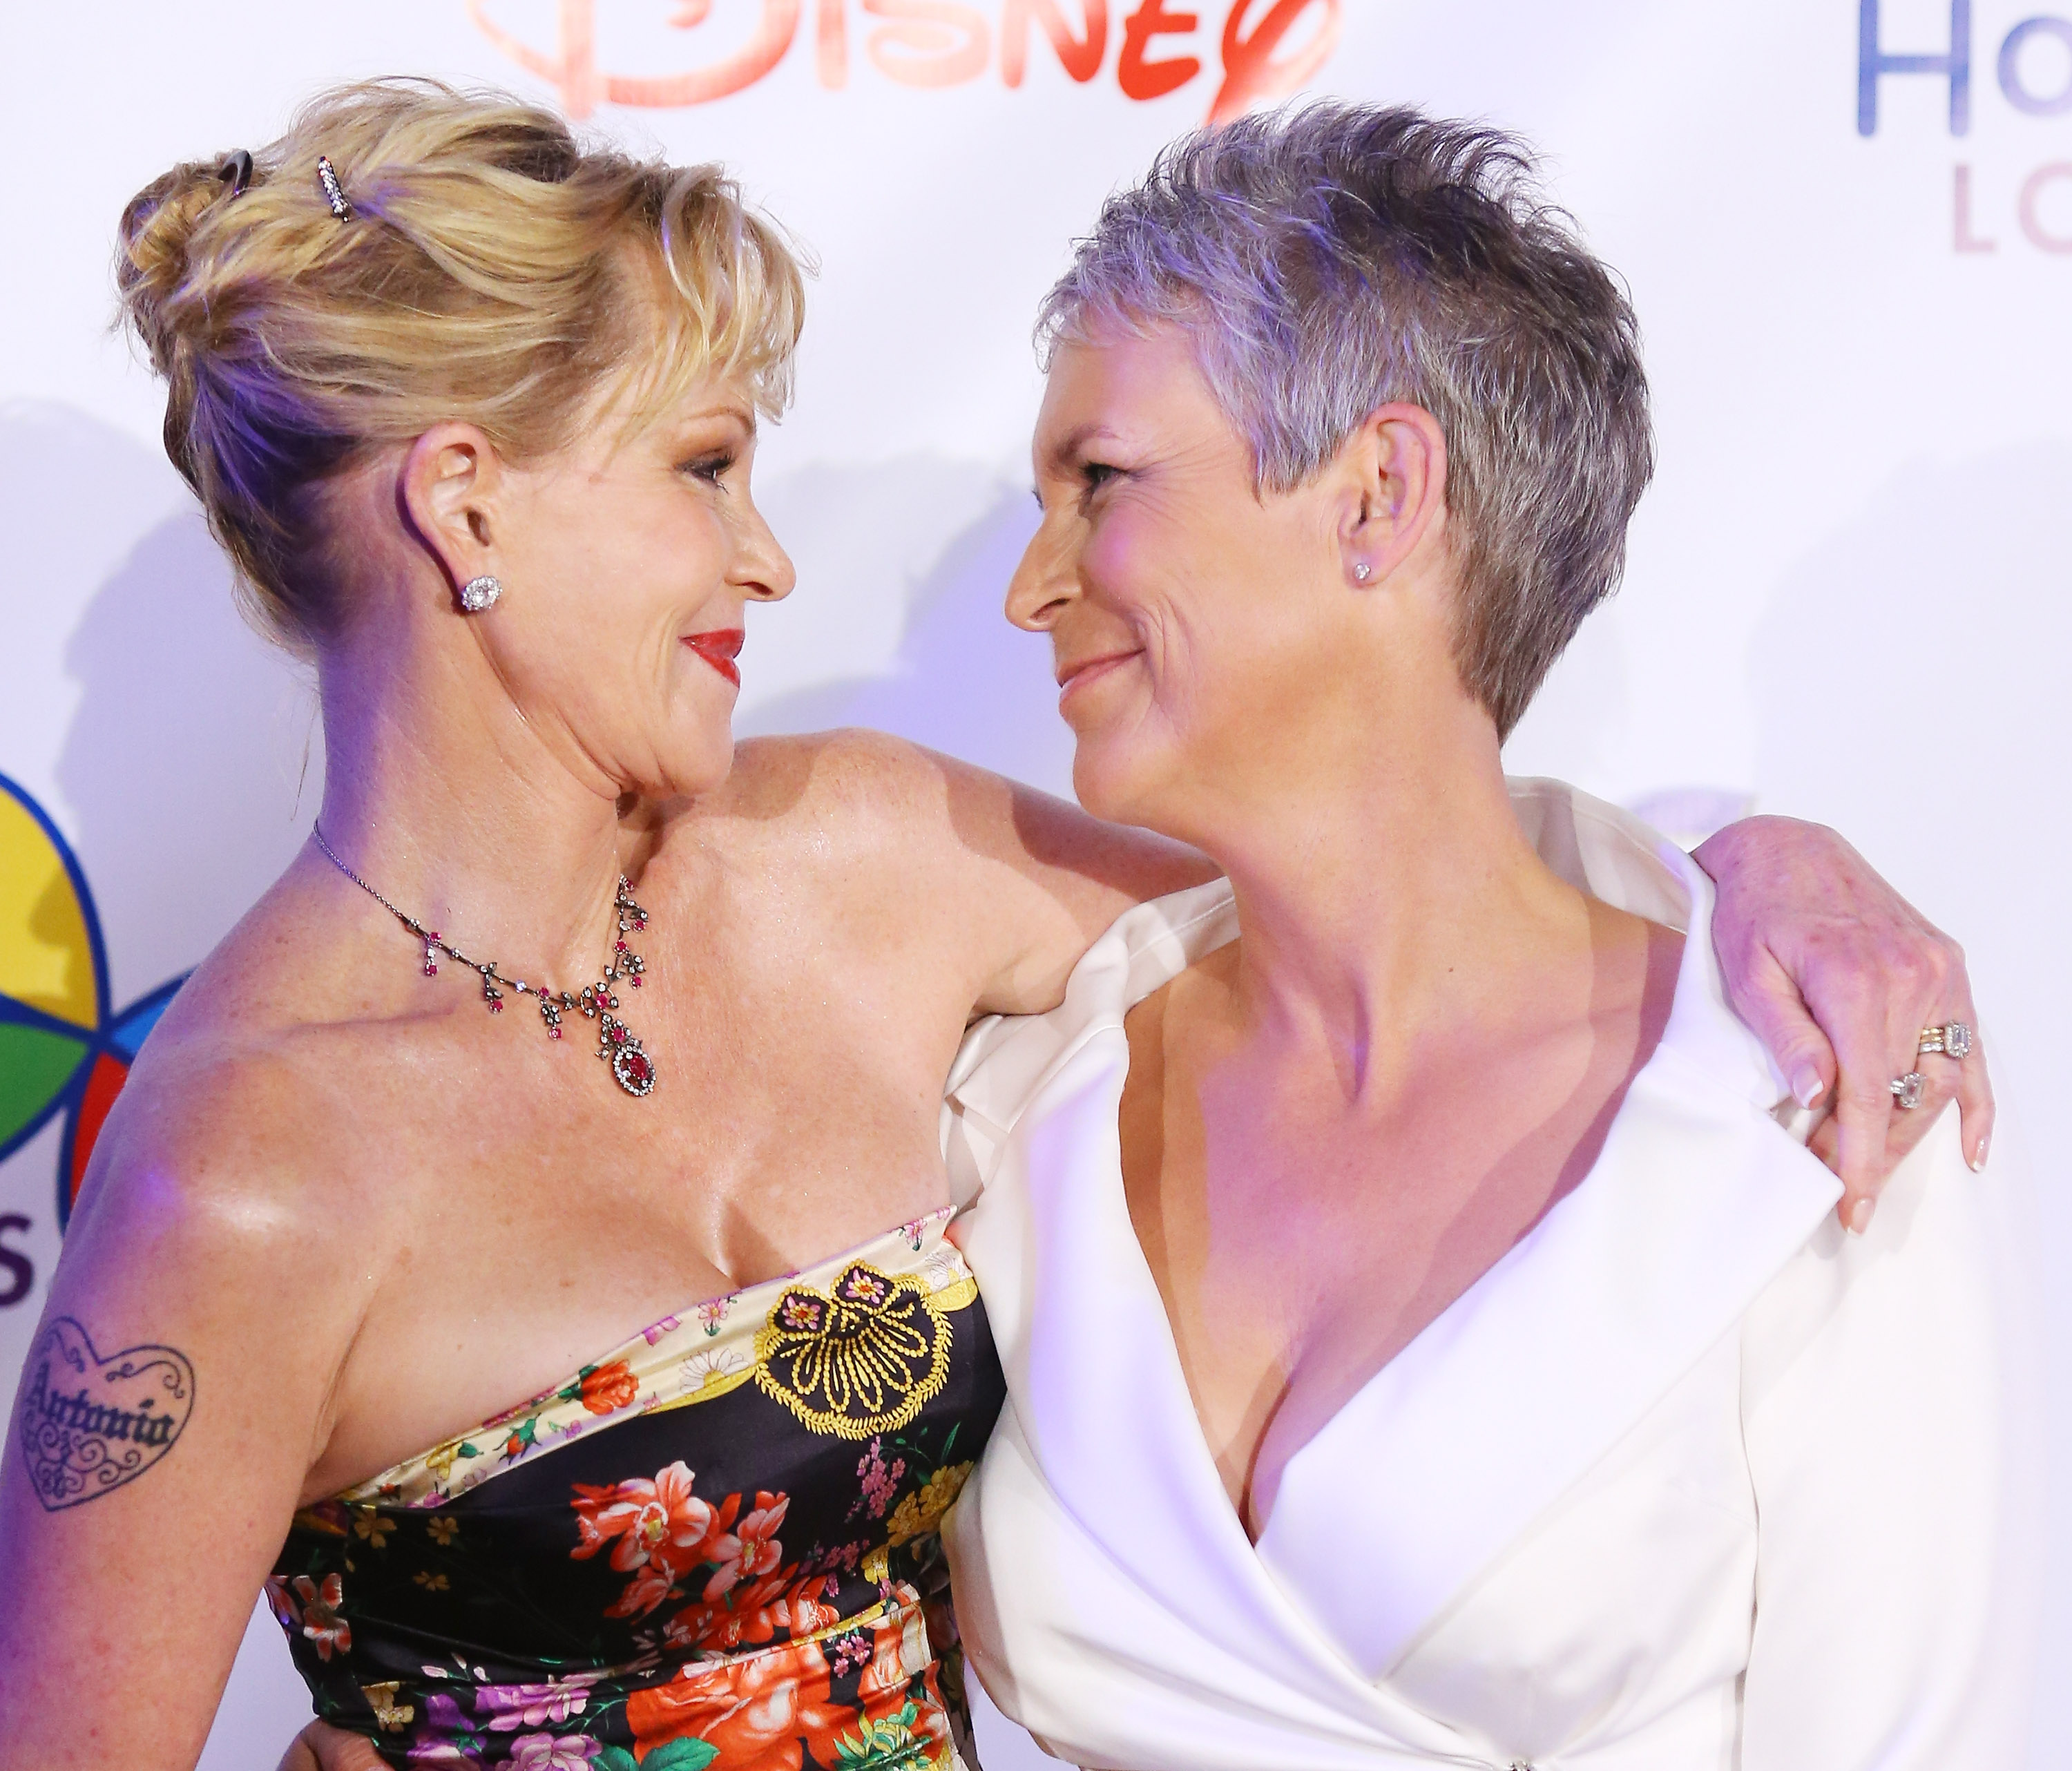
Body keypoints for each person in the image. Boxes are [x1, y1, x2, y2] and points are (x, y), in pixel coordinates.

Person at [0, 82, 1989, 1771]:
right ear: (465, 508)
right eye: (703, 468)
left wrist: (1757, 846)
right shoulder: (240, 1177)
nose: (768, 554)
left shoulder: (874, 859)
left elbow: (1402, 896)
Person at [938, 105, 2039, 1768]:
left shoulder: (1819, 1091)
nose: (1034, 584)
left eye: (1101, 481)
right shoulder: (1021, 1096)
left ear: (1380, 490)